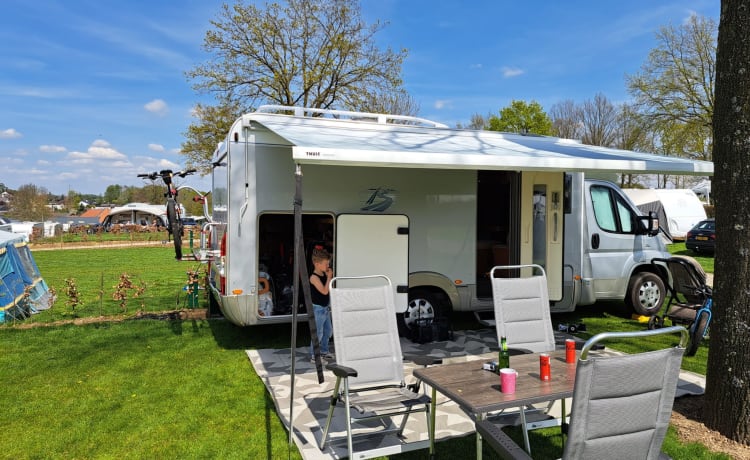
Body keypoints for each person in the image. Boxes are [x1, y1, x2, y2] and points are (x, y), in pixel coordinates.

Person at [309, 245, 334, 363]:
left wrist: (328, 276)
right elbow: (324, 291)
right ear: (317, 264)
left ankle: (324, 351)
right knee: (317, 333)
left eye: (328, 263)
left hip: (325, 308)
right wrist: (329, 278)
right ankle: (314, 355)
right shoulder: (314, 278)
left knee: (328, 331)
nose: (328, 266)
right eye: (326, 264)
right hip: (318, 309)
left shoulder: (324, 274)